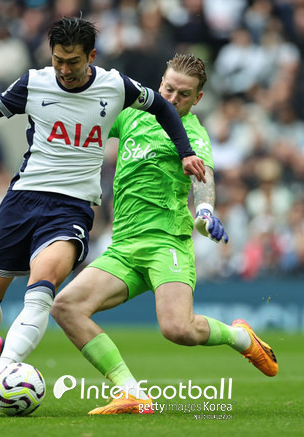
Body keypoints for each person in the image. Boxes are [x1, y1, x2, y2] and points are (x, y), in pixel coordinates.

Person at [0, 17, 206, 411]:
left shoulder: (116, 86)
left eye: (73, 61)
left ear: (91, 57)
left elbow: (164, 109)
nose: (64, 69)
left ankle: (1, 377)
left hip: (72, 207)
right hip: (23, 199)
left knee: (42, 289)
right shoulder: (34, 83)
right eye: (58, 60)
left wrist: (185, 151)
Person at [51, 53, 279, 415]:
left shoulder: (192, 133)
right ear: (160, 82)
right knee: (65, 306)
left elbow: (203, 178)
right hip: (123, 248)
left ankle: (241, 337)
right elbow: (88, 118)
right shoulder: (131, 114)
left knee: (178, 329)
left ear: (198, 99)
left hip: (165, 243)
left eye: (183, 95)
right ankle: (131, 392)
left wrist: (204, 213)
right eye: (168, 89)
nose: (172, 99)